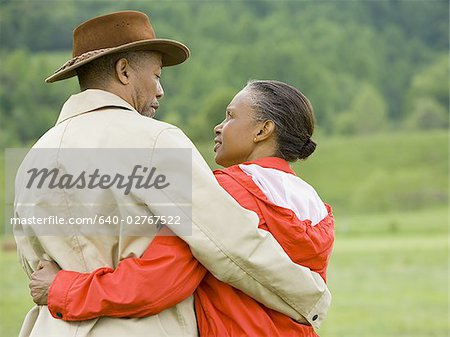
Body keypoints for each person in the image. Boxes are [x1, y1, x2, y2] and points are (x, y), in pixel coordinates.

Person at [14, 10, 331, 337]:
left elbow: (35, 270)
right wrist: (311, 297)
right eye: (157, 75)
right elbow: (226, 243)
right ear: (124, 71)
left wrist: (64, 288)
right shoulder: (155, 142)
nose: (160, 90)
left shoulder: (32, 159)